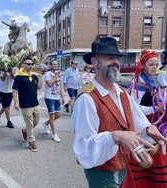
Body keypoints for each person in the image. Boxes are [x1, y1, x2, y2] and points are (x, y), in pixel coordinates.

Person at [71, 37, 167, 188]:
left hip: (123, 168)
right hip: (101, 173)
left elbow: (137, 121)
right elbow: (83, 145)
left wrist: (148, 129)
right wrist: (113, 137)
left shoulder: (122, 92)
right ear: (95, 62)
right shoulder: (87, 99)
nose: (115, 61)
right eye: (109, 57)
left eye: (117, 57)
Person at [124, 49, 167, 188]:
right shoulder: (138, 85)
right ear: (143, 65)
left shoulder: (150, 81)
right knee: (147, 166)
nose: (155, 67)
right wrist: (154, 109)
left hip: (152, 125)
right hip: (143, 129)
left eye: (156, 64)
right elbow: (133, 109)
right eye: (151, 64)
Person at [12, 57, 43, 152]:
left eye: (31, 64)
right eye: (28, 64)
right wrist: (16, 102)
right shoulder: (19, 77)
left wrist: (40, 77)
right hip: (25, 104)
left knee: (36, 122)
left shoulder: (33, 76)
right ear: (23, 65)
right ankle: (31, 142)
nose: (30, 66)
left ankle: (25, 131)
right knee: (29, 124)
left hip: (35, 103)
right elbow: (14, 90)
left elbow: (39, 87)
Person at [42, 59, 65, 142]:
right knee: (52, 116)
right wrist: (55, 76)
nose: (55, 66)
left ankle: (46, 124)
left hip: (57, 98)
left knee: (58, 115)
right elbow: (50, 84)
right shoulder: (47, 74)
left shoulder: (59, 74)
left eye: (56, 64)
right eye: (54, 64)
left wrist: (62, 97)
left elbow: (61, 86)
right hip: (49, 98)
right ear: (51, 66)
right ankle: (55, 134)